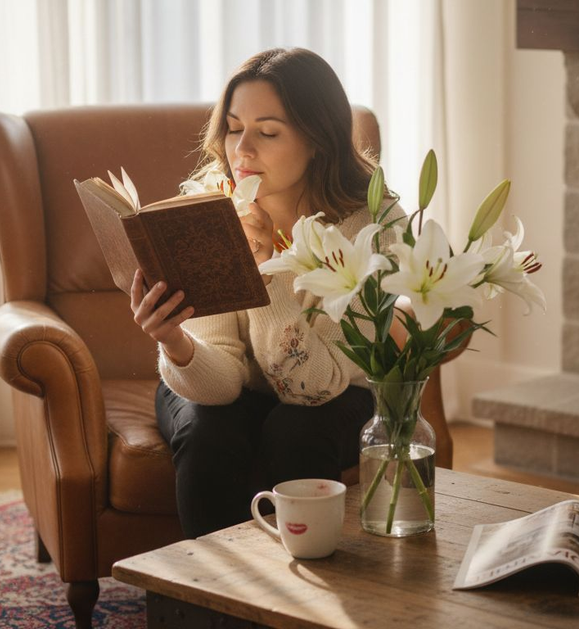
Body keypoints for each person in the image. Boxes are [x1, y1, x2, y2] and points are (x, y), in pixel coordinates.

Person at [129, 48, 403, 539]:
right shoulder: (206, 210)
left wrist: (266, 270)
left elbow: (312, 386)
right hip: (220, 384)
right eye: (234, 128)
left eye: (268, 132)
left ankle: (305, 592)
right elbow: (222, 385)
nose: (242, 151)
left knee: (295, 429)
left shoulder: (370, 224)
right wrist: (175, 342)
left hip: (334, 389)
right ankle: (209, 599)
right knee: (210, 432)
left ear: (317, 140)